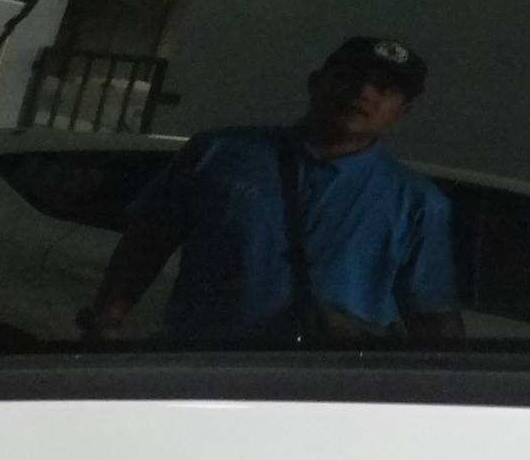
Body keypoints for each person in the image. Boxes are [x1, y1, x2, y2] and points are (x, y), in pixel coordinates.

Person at [78, 36, 462, 343]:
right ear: (315, 82)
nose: (364, 92)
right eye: (350, 76)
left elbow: (433, 317)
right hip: (200, 366)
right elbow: (146, 243)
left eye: (384, 88)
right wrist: (105, 322)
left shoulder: (418, 204)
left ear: (403, 111)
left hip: (322, 391)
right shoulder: (218, 153)